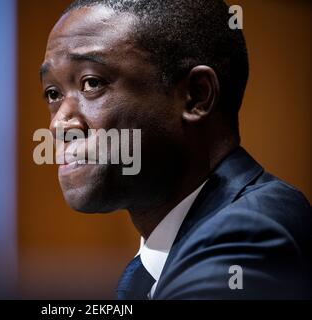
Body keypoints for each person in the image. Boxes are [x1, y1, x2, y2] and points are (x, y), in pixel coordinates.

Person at [39, 0, 312, 299]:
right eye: (53, 93)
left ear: (196, 96)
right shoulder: (177, 246)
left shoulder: (250, 236)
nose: (58, 126)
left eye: (91, 83)